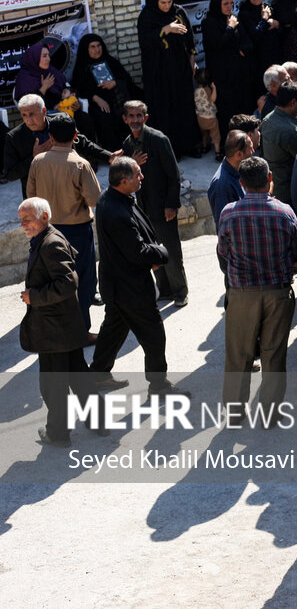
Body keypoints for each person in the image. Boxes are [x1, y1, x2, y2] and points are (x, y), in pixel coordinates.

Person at [89, 157, 188, 397]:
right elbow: (137, 251)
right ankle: (159, 385)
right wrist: (161, 252)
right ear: (123, 181)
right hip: (129, 288)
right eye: (137, 174)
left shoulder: (114, 198)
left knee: (114, 329)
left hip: (118, 284)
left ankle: (98, 374)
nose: (142, 177)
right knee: (154, 336)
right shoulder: (115, 211)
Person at [217, 156, 297, 426]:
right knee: (274, 355)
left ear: (241, 183)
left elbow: (223, 252)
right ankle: (269, 414)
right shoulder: (286, 212)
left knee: (238, 354)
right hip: (278, 292)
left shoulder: (229, 213)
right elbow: (295, 252)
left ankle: (234, 412)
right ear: (270, 179)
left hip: (242, 293)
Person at [18, 197, 107, 446]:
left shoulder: (51, 243)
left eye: (27, 219)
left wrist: (34, 296)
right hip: (63, 326)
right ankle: (98, 422)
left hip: (55, 330)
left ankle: (58, 434)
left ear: (45, 217)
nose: (23, 225)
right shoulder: (46, 239)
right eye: (21, 220)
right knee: (78, 377)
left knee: (53, 384)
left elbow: (68, 282)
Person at [26, 113, 99, 334]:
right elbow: (95, 200)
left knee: (53, 281)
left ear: (50, 137)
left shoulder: (38, 162)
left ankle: (58, 331)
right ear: (75, 135)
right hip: (77, 233)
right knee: (81, 282)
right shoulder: (80, 164)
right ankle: (81, 331)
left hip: (46, 232)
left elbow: (31, 197)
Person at [120, 101, 188, 306]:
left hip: (162, 206)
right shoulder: (127, 145)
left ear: (146, 117)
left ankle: (180, 292)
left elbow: (173, 175)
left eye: (139, 115)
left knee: (171, 252)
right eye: (131, 116)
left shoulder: (159, 140)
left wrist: (171, 204)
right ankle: (164, 290)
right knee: (152, 251)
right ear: (125, 119)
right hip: (142, 209)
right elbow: (125, 176)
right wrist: (132, 164)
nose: (135, 120)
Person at [137, 0, 200, 157]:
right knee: (165, 108)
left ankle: (189, 145)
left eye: (169, 1)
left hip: (180, 67)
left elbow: (189, 36)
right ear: (156, 1)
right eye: (163, 2)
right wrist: (165, 30)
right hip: (159, 71)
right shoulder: (147, 16)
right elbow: (144, 40)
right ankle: (170, 150)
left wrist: (192, 58)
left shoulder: (178, 12)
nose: (167, 6)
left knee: (184, 105)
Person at [260, 82, 297, 210]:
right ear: (293, 103)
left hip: (273, 186)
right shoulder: (291, 131)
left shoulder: (268, 119)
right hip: (289, 193)